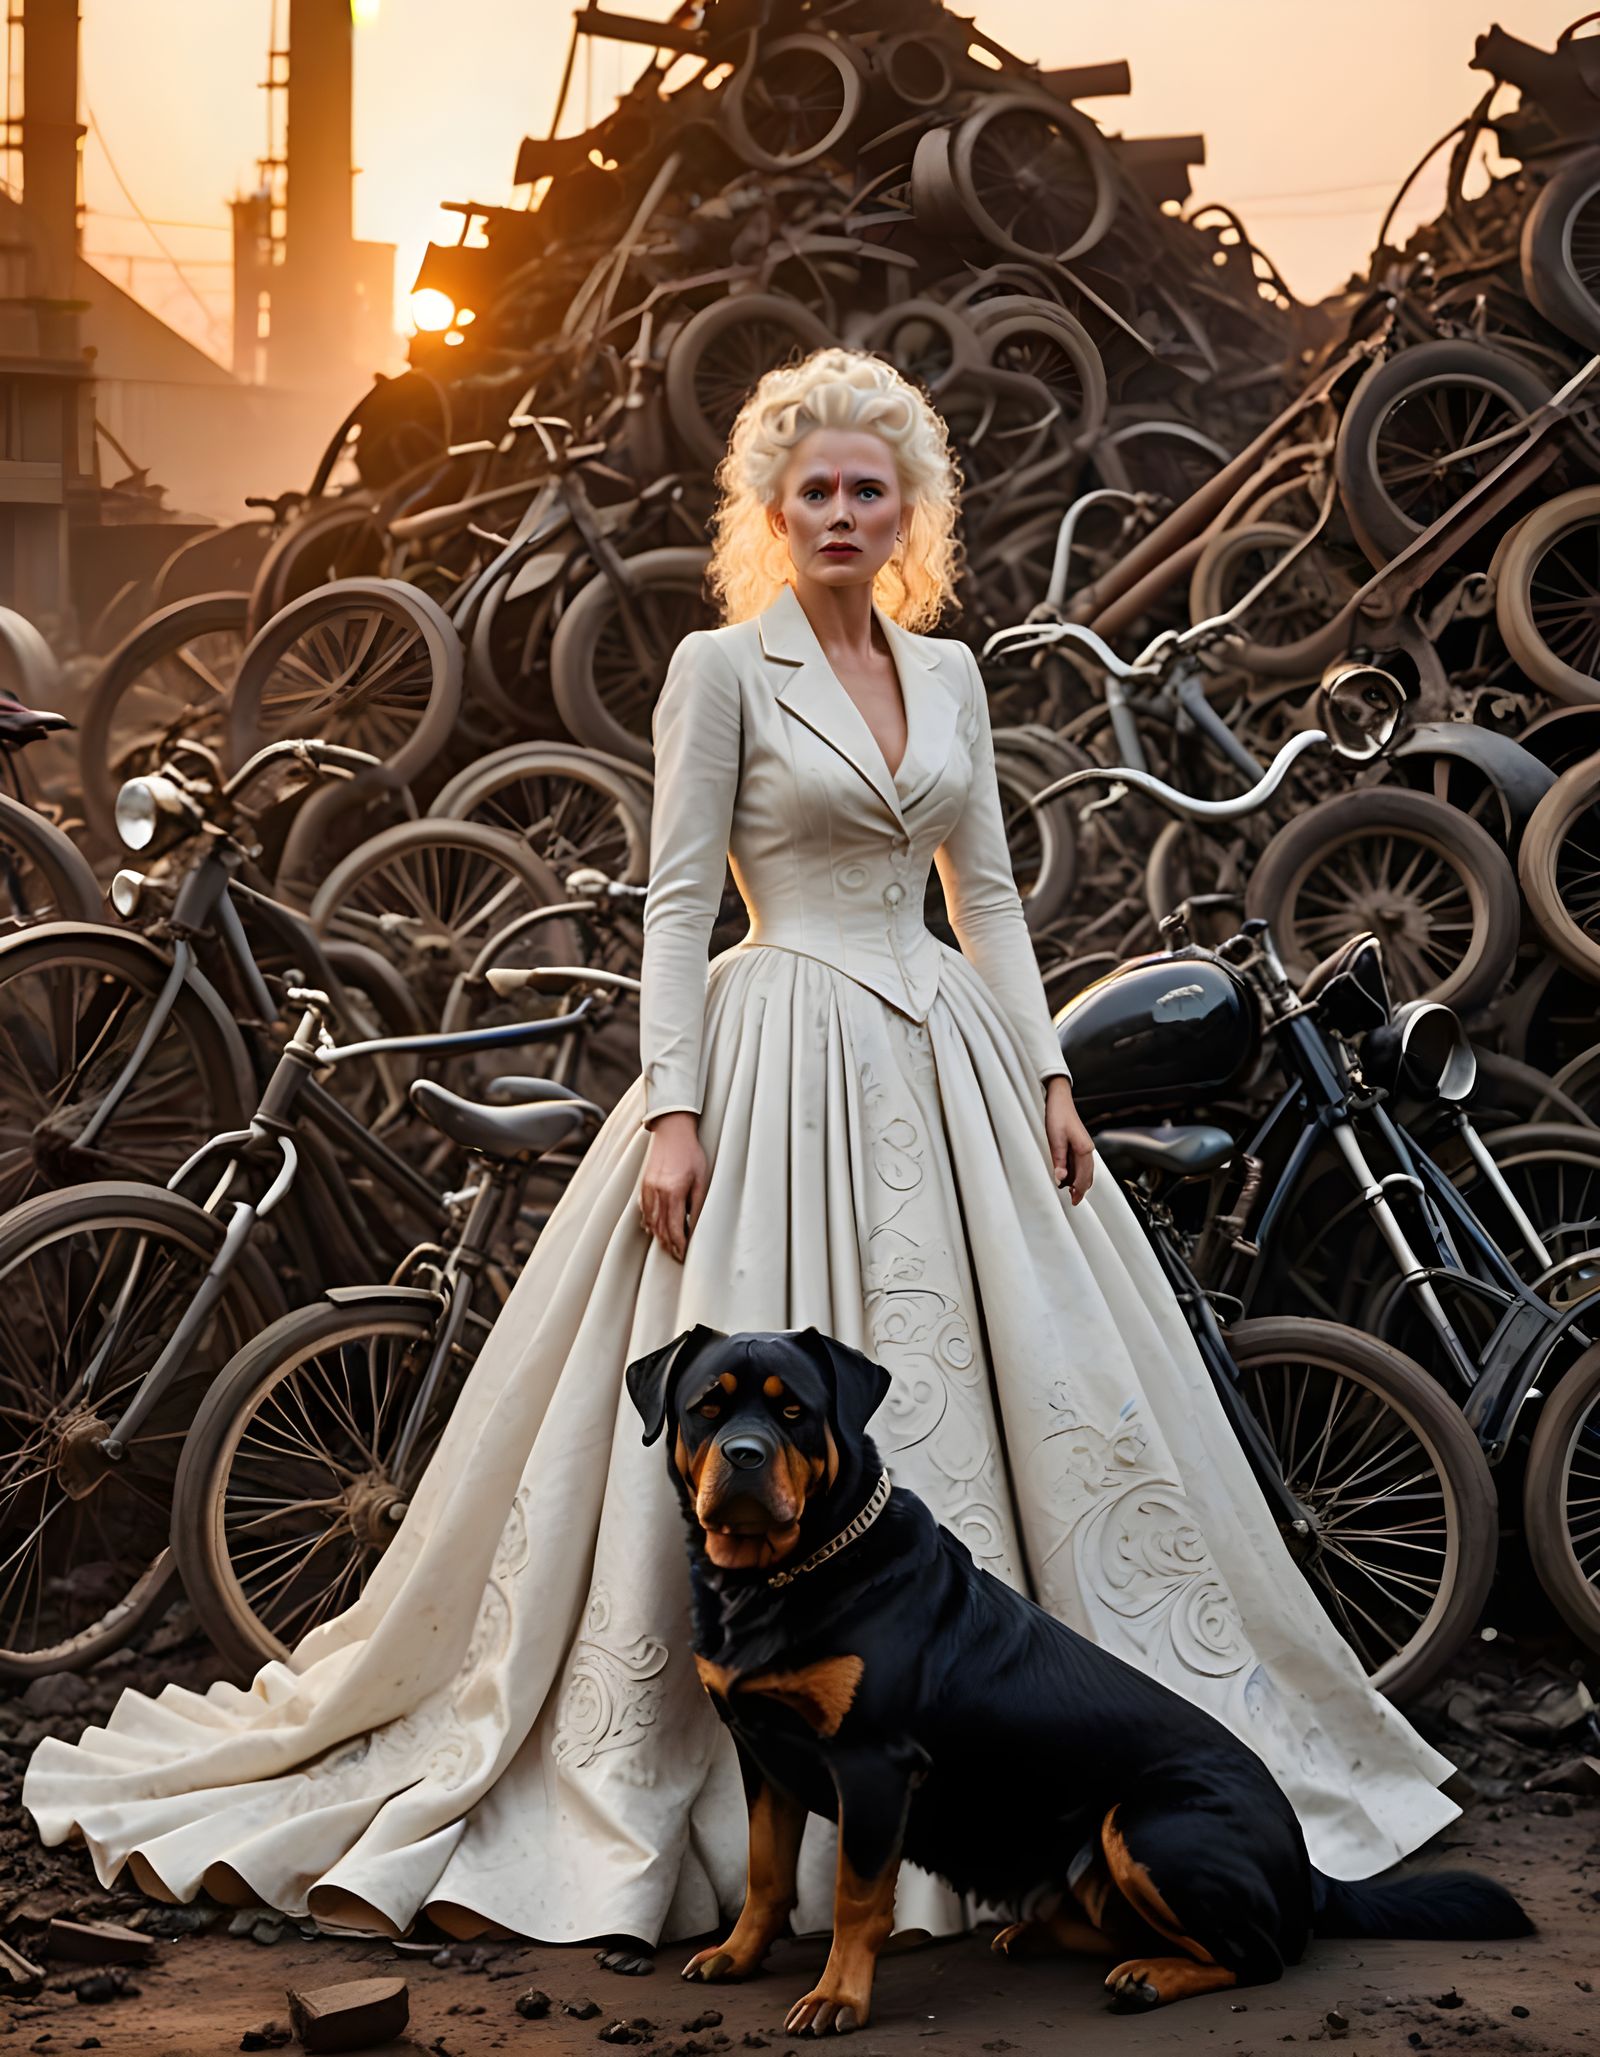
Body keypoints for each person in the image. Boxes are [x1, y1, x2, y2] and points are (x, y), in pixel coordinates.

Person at [24, 347, 1458, 1967]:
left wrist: (1046, 1072)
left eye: (871, 488)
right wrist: (678, 1106)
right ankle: (749, 1795)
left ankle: (1019, 1793)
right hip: (769, 1043)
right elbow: (675, 901)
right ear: (772, 512)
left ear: (909, 508)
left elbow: (985, 898)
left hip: (950, 1055)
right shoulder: (720, 669)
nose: (844, 512)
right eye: (817, 489)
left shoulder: (955, 676)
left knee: (1054, 1399)